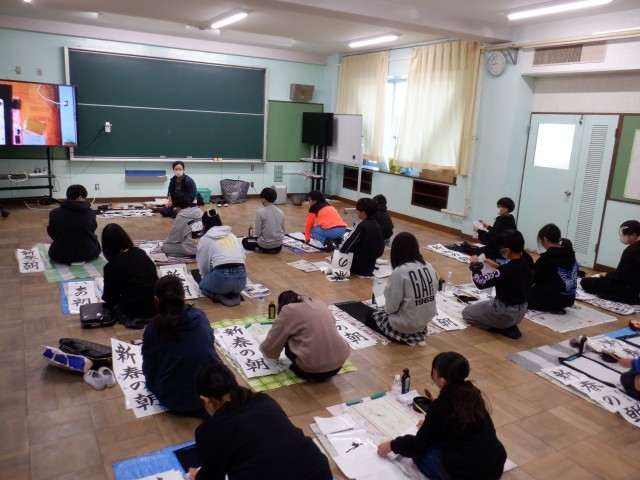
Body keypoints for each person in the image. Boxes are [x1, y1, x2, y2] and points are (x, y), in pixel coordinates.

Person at [186, 362, 333, 480]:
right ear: (235, 383)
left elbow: (212, 475)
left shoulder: (208, 431)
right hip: (319, 471)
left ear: (205, 400)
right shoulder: (264, 400)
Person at [376, 352, 507, 480]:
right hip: (495, 465)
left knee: (418, 454)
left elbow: (418, 445)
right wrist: (433, 426)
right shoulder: (473, 394)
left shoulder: (441, 405)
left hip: (468, 474)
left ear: (443, 380)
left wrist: (393, 445)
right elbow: (460, 426)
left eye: (434, 371)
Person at [142, 275, 220, 416]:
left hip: (175, 401)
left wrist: (153, 386)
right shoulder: (200, 317)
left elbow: (150, 366)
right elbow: (209, 346)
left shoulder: (153, 329)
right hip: (211, 394)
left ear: (157, 300)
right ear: (184, 295)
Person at [260, 290, 350, 382]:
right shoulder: (320, 304)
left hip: (311, 370)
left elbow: (272, 343)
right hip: (338, 364)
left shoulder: (288, 310)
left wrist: (266, 351)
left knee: (285, 336)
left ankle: (300, 369)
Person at [366, 232, 437, 346]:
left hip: (405, 325)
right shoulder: (429, 266)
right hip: (423, 323)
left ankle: (402, 336)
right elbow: (434, 292)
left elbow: (391, 308)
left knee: (370, 314)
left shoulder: (399, 271)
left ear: (396, 251)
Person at [462, 230, 533, 339]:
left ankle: (498, 326)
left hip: (504, 312)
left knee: (467, 313)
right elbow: (513, 274)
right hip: (521, 311)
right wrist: (497, 266)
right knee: (485, 304)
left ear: (507, 250)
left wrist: (475, 265)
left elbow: (481, 282)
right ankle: (505, 324)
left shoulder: (506, 269)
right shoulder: (528, 260)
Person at [101, 223, 159, 329]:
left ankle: (133, 319)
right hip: (154, 305)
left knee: (113, 305)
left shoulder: (111, 266)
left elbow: (109, 297)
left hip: (133, 311)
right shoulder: (140, 252)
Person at [581, 220, 640, 304]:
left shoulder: (631, 251)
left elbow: (621, 276)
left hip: (627, 290)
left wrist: (607, 275)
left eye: (624, 234)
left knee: (585, 282)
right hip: (635, 288)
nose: (621, 236)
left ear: (633, 235)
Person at [196, 210, 247, 306]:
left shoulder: (205, 239)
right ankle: (235, 293)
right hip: (241, 280)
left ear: (203, 226)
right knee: (231, 282)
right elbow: (243, 257)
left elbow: (203, 266)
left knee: (202, 285)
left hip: (222, 280)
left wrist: (206, 279)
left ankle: (218, 296)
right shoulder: (232, 235)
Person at [528, 223, 579, 313]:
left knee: (519, 295)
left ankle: (552, 307)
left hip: (554, 299)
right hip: (569, 298)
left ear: (545, 239)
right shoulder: (570, 253)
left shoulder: (548, 257)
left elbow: (533, 278)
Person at [47, 184, 101, 264]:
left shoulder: (54, 213)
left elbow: (52, 233)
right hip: (89, 254)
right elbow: (92, 230)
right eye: (84, 198)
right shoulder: (91, 212)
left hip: (60, 255)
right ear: (79, 198)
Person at [339, 197, 385, 276]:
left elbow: (348, 245)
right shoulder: (377, 225)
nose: (357, 212)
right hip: (370, 266)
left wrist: (340, 250)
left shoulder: (361, 226)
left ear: (363, 212)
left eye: (358, 210)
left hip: (356, 267)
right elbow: (381, 247)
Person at [241, 187, 285, 254]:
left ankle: (260, 249)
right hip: (278, 244)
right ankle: (272, 249)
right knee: (275, 245)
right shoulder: (281, 212)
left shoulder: (260, 212)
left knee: (245, 241)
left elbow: (258, 233)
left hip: (265, 244)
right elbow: (283, 230)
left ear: (264, 199)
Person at [473, 197, 517, 262]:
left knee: (476, 251)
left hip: (499, 250)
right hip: (508, 250)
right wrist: (488, 227)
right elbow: (499, 232)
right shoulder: (511, 218)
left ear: (506, 209)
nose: (497, 208)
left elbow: (490, 238)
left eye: (499, 207)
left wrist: (478, 231)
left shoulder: (500, 219)